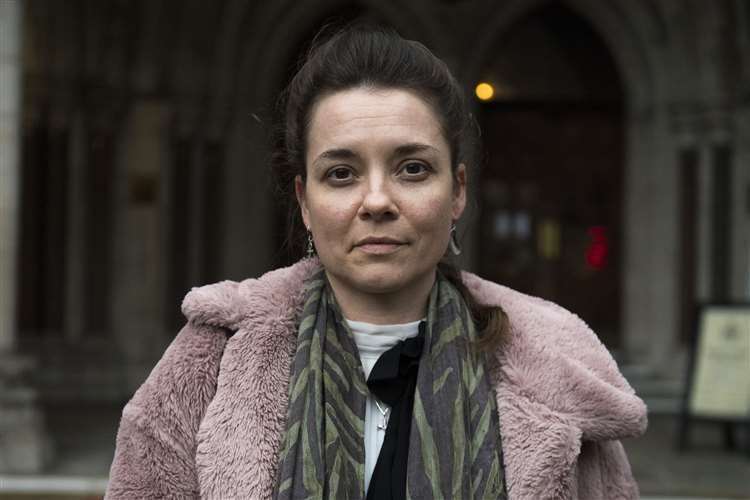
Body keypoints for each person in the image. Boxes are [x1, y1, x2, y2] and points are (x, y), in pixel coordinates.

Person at [105, 24, 647, 500]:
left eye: (412, 168)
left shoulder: (559, 375)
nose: (378, 200)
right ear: (304, 201)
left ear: (456, 191)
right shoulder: (210, 362)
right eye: (341, 173)